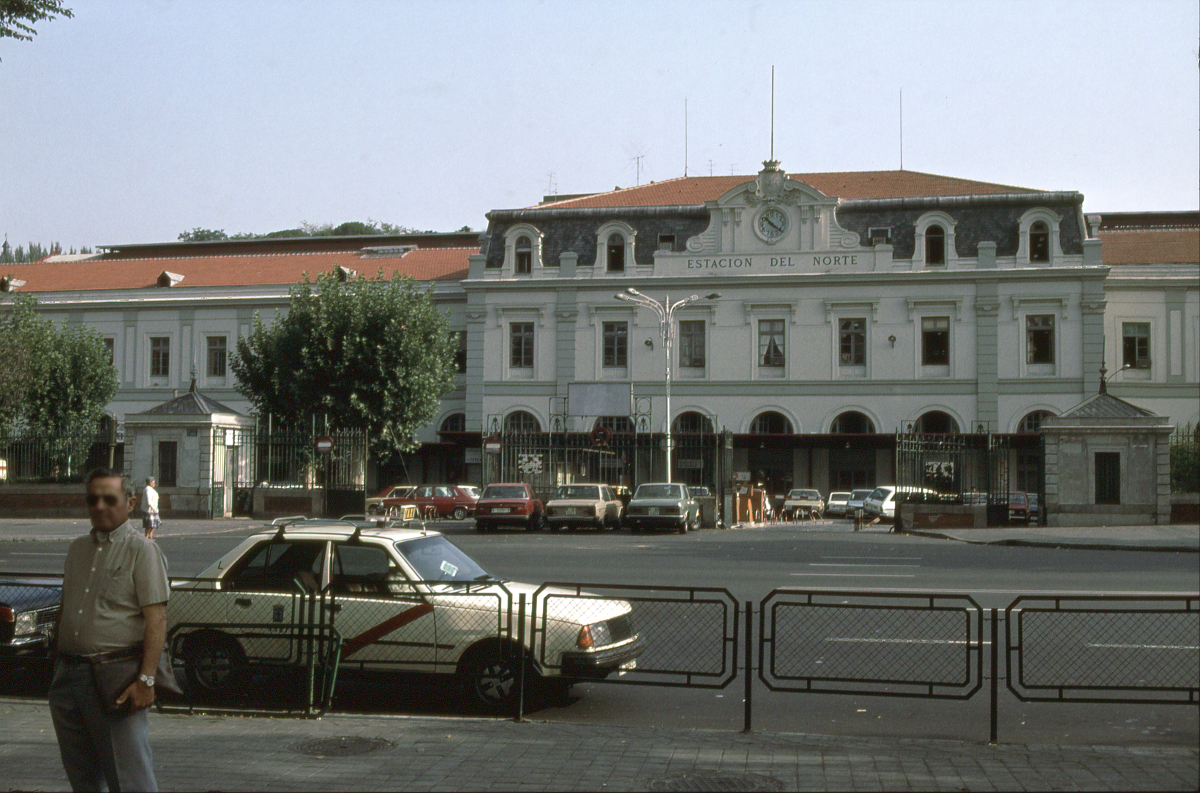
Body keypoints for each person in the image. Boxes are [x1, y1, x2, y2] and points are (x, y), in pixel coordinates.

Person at [49, 467, 170, 792]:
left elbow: (156, 621)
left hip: (115, 680)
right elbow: (66, 608)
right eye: (93, 499)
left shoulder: (142, 551)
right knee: (83, 779)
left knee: (130, 781)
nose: (99, 506)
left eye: (109, 499)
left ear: (130, 503)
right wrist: (59, 666)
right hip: (68, 679)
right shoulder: (77, 549)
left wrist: (145, 681)